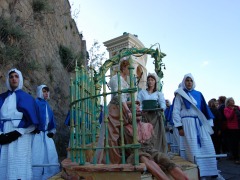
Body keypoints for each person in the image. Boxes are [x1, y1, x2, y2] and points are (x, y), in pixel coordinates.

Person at [172, 73, 218, 179]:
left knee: (207, 145)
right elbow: (176, 111)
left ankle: (210, 170)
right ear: (184, 82)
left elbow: (205, 109)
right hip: (187, 123)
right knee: (192, 148)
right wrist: (179, 127)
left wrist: (209, 124)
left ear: (193, 82)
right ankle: (198, 172)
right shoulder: (180, 94)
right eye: (187, 80)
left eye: (191, 80)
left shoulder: (199, 94)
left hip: (199, 123)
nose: (189, 82)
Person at [0, 68, 39, 179]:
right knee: (4, 162)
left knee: (19, 163)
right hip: (4, 132)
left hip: (21, 134)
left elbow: (32, 122)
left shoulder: (27, 98)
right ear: (8, 79)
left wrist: (18, 132)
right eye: (11, 76)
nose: (14, 79)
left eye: (16, 76)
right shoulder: (2, 98)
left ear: (20, 79)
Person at [32, 85, 60, 179]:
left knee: (49, 153)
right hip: (37, 135)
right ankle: (35, 175)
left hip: (46, 135)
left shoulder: (48, 105)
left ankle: (49, 174)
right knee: (36, 154)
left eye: (47, 91)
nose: (46, 93)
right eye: (44, 91)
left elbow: (51, 120)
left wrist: (52, 131)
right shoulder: (35, 103)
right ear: (40, 92)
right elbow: (31, 116)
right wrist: (33, 127)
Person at [137, 73, 167, 153]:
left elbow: (162, 103)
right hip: (145, 116)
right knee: (146, 134)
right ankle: (147, 152)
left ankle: (157, 151)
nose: (150, 82)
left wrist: (161, 108)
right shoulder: (142, 92)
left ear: (155, 82)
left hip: (155, 116)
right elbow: (138, 103)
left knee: (155, 134)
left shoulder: (158, 94)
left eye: (152, 80)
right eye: (149, 80)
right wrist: (141, 111)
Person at [223, 97, 240, 164]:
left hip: (238, 127)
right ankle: (236, 157)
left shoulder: (238, 107)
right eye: (231, 101)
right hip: (232, 128)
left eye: (233, 100)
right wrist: (233, 111)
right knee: (234, 143)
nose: (232, 101)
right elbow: (228, 117)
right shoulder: (226, 109)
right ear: (227, 102)